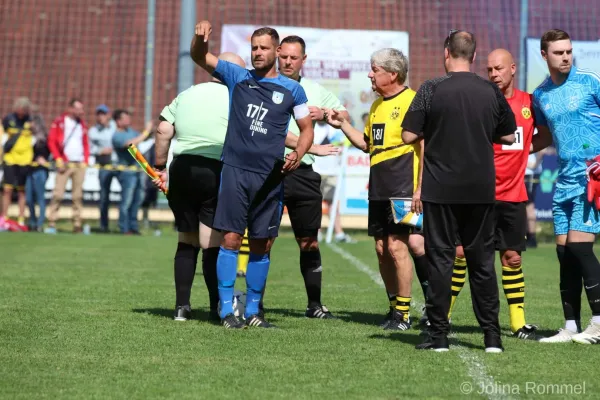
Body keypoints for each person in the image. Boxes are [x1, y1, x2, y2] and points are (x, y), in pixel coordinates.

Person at [191, 22, 315, 329]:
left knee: (263, 244)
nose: (257, 53)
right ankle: (225, 311)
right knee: (231, 239)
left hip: (270, 178)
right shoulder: (238, 77)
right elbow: (200, 57)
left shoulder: (293, 90)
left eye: (263, 48)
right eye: (253, 48)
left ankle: (254, 311)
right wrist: (199, 39)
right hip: (235, 172)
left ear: (277, 51)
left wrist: (298, 154)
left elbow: (307, 129)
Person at [401, 30, 516, 352]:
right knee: (482, 264)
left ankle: (439, 337)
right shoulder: (490, 91)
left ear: (445, 53)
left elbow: (409, 135)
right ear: (475, 57)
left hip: (440, 190)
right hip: (480, 189)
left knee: (441, 261)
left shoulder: (431, 88)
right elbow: (508, 137)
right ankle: (492, 337)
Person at [446, 48, 540, 340]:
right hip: (478, 193)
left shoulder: (529, 103)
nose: (494, 74)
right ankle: (441, 316)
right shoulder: (481, 99)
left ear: (513, 68)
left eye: (499, 69)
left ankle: (517, 323)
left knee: (512, 258)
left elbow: (544, 135)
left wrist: (526, 150)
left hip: (513, 196)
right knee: (461, 253)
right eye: (489, 70)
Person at [325, 48, 421, 331]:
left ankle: (404, 314)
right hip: (379, 185)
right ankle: (393, 309)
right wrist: (343, 124)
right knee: (381, 248)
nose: (370, 74)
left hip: (403, 183)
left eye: (375, 69)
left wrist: (420, 187)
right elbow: (368, 144)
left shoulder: (413, 102)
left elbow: (424, 146)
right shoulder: (378, 105)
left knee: (397, 247)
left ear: (393, 74)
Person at [270, 35, 350, 319]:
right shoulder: (265, 86)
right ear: (278, 55)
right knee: (262, 240)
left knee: (309, 242)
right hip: (271, 171)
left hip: (303, 173)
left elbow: (344, 114)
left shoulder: (314, 89)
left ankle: (314, 304)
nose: (288, 62)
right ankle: (254, 304)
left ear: (304, 60)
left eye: (294, 58)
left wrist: (325, 112)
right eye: (285, 56)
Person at [530, 29, 600, 344]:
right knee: (564, 253)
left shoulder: (590, 82)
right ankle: (570, 326)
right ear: (544, 55)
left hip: (591, 178)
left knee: (580, 247)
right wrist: (512, 150)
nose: (566, 56)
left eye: (569, 51)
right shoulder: (540, 94)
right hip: (564, 179)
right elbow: (543, 136)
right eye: (558, 52)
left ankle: (598, 323)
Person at [46, 98, 90, 234]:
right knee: (58, 194)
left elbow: (85, 143)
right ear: (70, 108)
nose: (80, 112)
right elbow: (52, 141)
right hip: (64, 163)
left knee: (77, 196)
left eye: (81, 109)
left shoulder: (81, 124)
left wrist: (86, 160)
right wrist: (58, 158)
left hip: (79, 163)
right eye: (78, 109)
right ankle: (52, 222)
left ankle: (77, 224)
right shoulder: (60, 122)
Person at [111, 110, 152, 235]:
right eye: (125, 119)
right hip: (127, 172)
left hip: (138, 170)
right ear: (118, 121)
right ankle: (124, 227)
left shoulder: (131, 131)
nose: (129, 121)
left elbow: (143, 138)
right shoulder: (116, 136)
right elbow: (131, 144)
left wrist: (151, 130)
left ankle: (133, 226)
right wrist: (146, 131)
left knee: (137, 200)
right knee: (126, 201)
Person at [0, 97, 33, 230]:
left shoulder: (31, 121)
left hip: (25, 160)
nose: (22, 112)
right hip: (10, 159)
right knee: (7, 190)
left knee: (21, 191)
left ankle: (21, 219)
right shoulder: (8, 119)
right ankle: (5, 218)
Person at [88, 104, 117, 232]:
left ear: (108, 115)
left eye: (103, 114)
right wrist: (100, 150)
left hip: (119, 165)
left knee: (128, 196)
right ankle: (103, 225)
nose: (101, 117)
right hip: (104, 165)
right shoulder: (93, 131)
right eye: (99, 114)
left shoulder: (116, 127)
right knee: (104, 196)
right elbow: (89, 148)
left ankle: (125, 226)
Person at [25, 105, 50, 232]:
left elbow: (50, 152)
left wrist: (44, 159)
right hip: (29, 170)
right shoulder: (27, 137)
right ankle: (32, 221)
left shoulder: (44, 138)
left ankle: (40, 223)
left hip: (40, 170)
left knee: (40, 197)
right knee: (29, 198)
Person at [525, 152, 544, 248]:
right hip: (523, 172)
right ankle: (526, 236)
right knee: (522, 205)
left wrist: (535, 164)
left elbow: (543, 149)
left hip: (530, 173)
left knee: (529, 204)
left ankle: (531, 237)